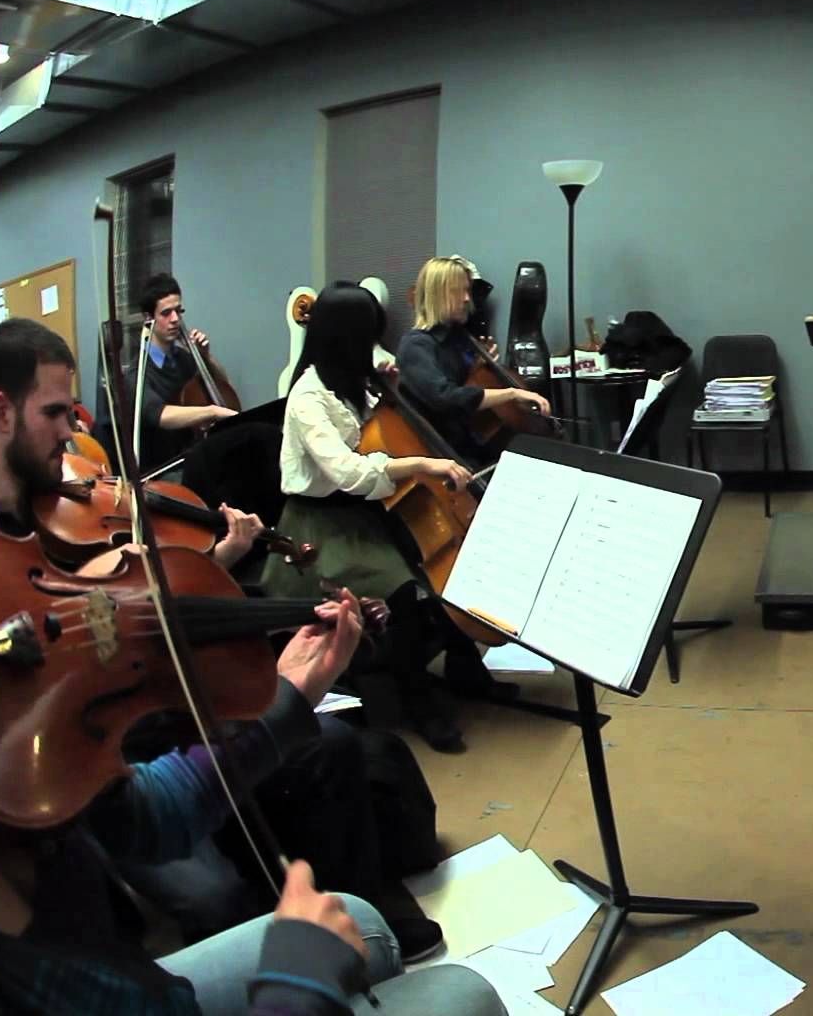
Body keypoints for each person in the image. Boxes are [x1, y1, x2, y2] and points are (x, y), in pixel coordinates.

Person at [0, 315, 502, 1015]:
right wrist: (297, 985)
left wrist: (291, 694)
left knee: (363, 915)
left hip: (142, 973)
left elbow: (144, 812)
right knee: (463, 994)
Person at [263, 281, 489, 754]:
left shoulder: (351, 380)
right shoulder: (307, 398)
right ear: (344, 339)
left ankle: (466, 668)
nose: (373, 348)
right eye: (366, 338)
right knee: (405, 593)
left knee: (436, 573)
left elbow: (378, 430)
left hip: (367, 511)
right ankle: (417, 700)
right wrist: (424, 464)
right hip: (321, 525)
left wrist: (390, 389)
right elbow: (350, 473)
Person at [0, 317, 265, 571]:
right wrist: (94, 589)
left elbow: (145, 598)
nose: (68, 434)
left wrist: (218, 560)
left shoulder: (54, 501)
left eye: (69, 414)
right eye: (52, 413)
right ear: (2, 413)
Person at [395, 255, 551, 470]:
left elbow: (465, 381)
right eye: (458, 291)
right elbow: (445, 397)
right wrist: (511, 393)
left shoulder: (458, 338)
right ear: (437, 294)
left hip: (471, 445)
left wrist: (479, 367)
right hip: (446, 455)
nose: (467, 299)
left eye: (467, 290)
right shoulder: (415, 345)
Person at [137, 274, 238, 471]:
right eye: (166, 313)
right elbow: (160, 415)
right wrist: (211, 412)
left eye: (178, 311)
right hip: (165, 469)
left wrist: (205, 357)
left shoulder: (184, 358)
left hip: (196, 458)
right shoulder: (138, 371)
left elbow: (224, 385)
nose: (175, 319)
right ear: (148, 318)